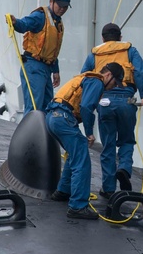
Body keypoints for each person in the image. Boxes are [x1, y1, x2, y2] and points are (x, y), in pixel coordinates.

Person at [81, 22, 143, 198]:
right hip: (127, 100)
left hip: (104, 100)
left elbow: (84, 78)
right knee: (127, 140)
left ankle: (108, 188)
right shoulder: (130, 51)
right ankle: (124, 168)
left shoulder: (94, 55)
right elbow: (140, 73)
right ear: (120, 37)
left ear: (103, 38)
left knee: (108, 145)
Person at [46, 63, 124, 220]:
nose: (113, 87)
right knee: (82, 161)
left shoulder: (86, 79)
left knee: (75, 153)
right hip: (62, 118)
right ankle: (78, 206)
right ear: (108, 76)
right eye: (115, 83)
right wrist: (89, 133)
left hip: (52, 117)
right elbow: (86, 107)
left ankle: (63, 191)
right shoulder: (97, 82)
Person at [10, 0, 70, 114]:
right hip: (34, 66)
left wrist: (55, 71)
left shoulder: (57, 22)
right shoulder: (40, 16)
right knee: (34, 106)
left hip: (46, 68)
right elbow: (24, 24)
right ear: (51, 2)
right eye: (60, 6)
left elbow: (53, 49)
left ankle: (41, 133)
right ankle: (29, 133)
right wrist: (15, 22)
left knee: (47, 106)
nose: (62, 9)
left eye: (65, 7)